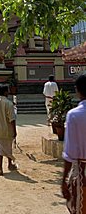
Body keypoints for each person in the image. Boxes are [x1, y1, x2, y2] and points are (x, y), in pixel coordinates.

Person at [62, 74, 86, 214]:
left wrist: (64, 179)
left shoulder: (74, 115)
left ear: (77, 90)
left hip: (82, 172)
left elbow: (70, 153)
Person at [0, 85, 18, 176]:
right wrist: (15, 130)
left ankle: (0, 168)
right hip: (7, 130)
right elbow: (12, 119)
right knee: (8, 148)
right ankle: (9, 164)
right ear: (5, 92)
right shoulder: (9, 104)